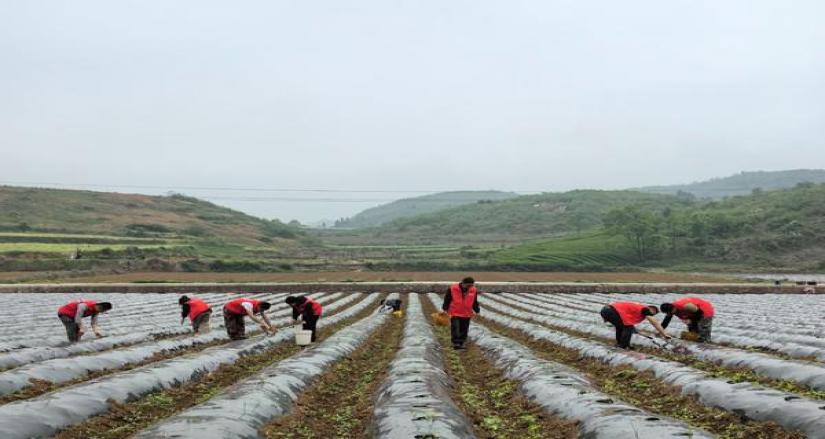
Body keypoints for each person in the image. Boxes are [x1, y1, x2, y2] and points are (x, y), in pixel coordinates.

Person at [600, 301, 669, 349]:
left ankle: (620, 344)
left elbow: (628, 321)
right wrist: (664, 334)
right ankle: (624, 346)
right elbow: (654, 322)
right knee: (628, 328)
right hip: (611, 311)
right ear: (651, 309)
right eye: (654, 312)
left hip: (606, 310)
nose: (653, 314)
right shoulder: (645, 309)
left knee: (621, 327)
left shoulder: (639, 309)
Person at [442, 277, 480, 350]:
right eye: (468, 285)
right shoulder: (453, 288)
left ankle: (462, 343)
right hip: (455, 312)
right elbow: (447, 298)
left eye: (471, 285)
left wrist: (477, 310)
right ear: (463, 283)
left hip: (467, 313)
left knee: (464, 328)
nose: (469, 287)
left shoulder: (473, 290)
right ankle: (456, 343)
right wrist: (445, 308)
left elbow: (474, 301)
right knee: (455, 327)